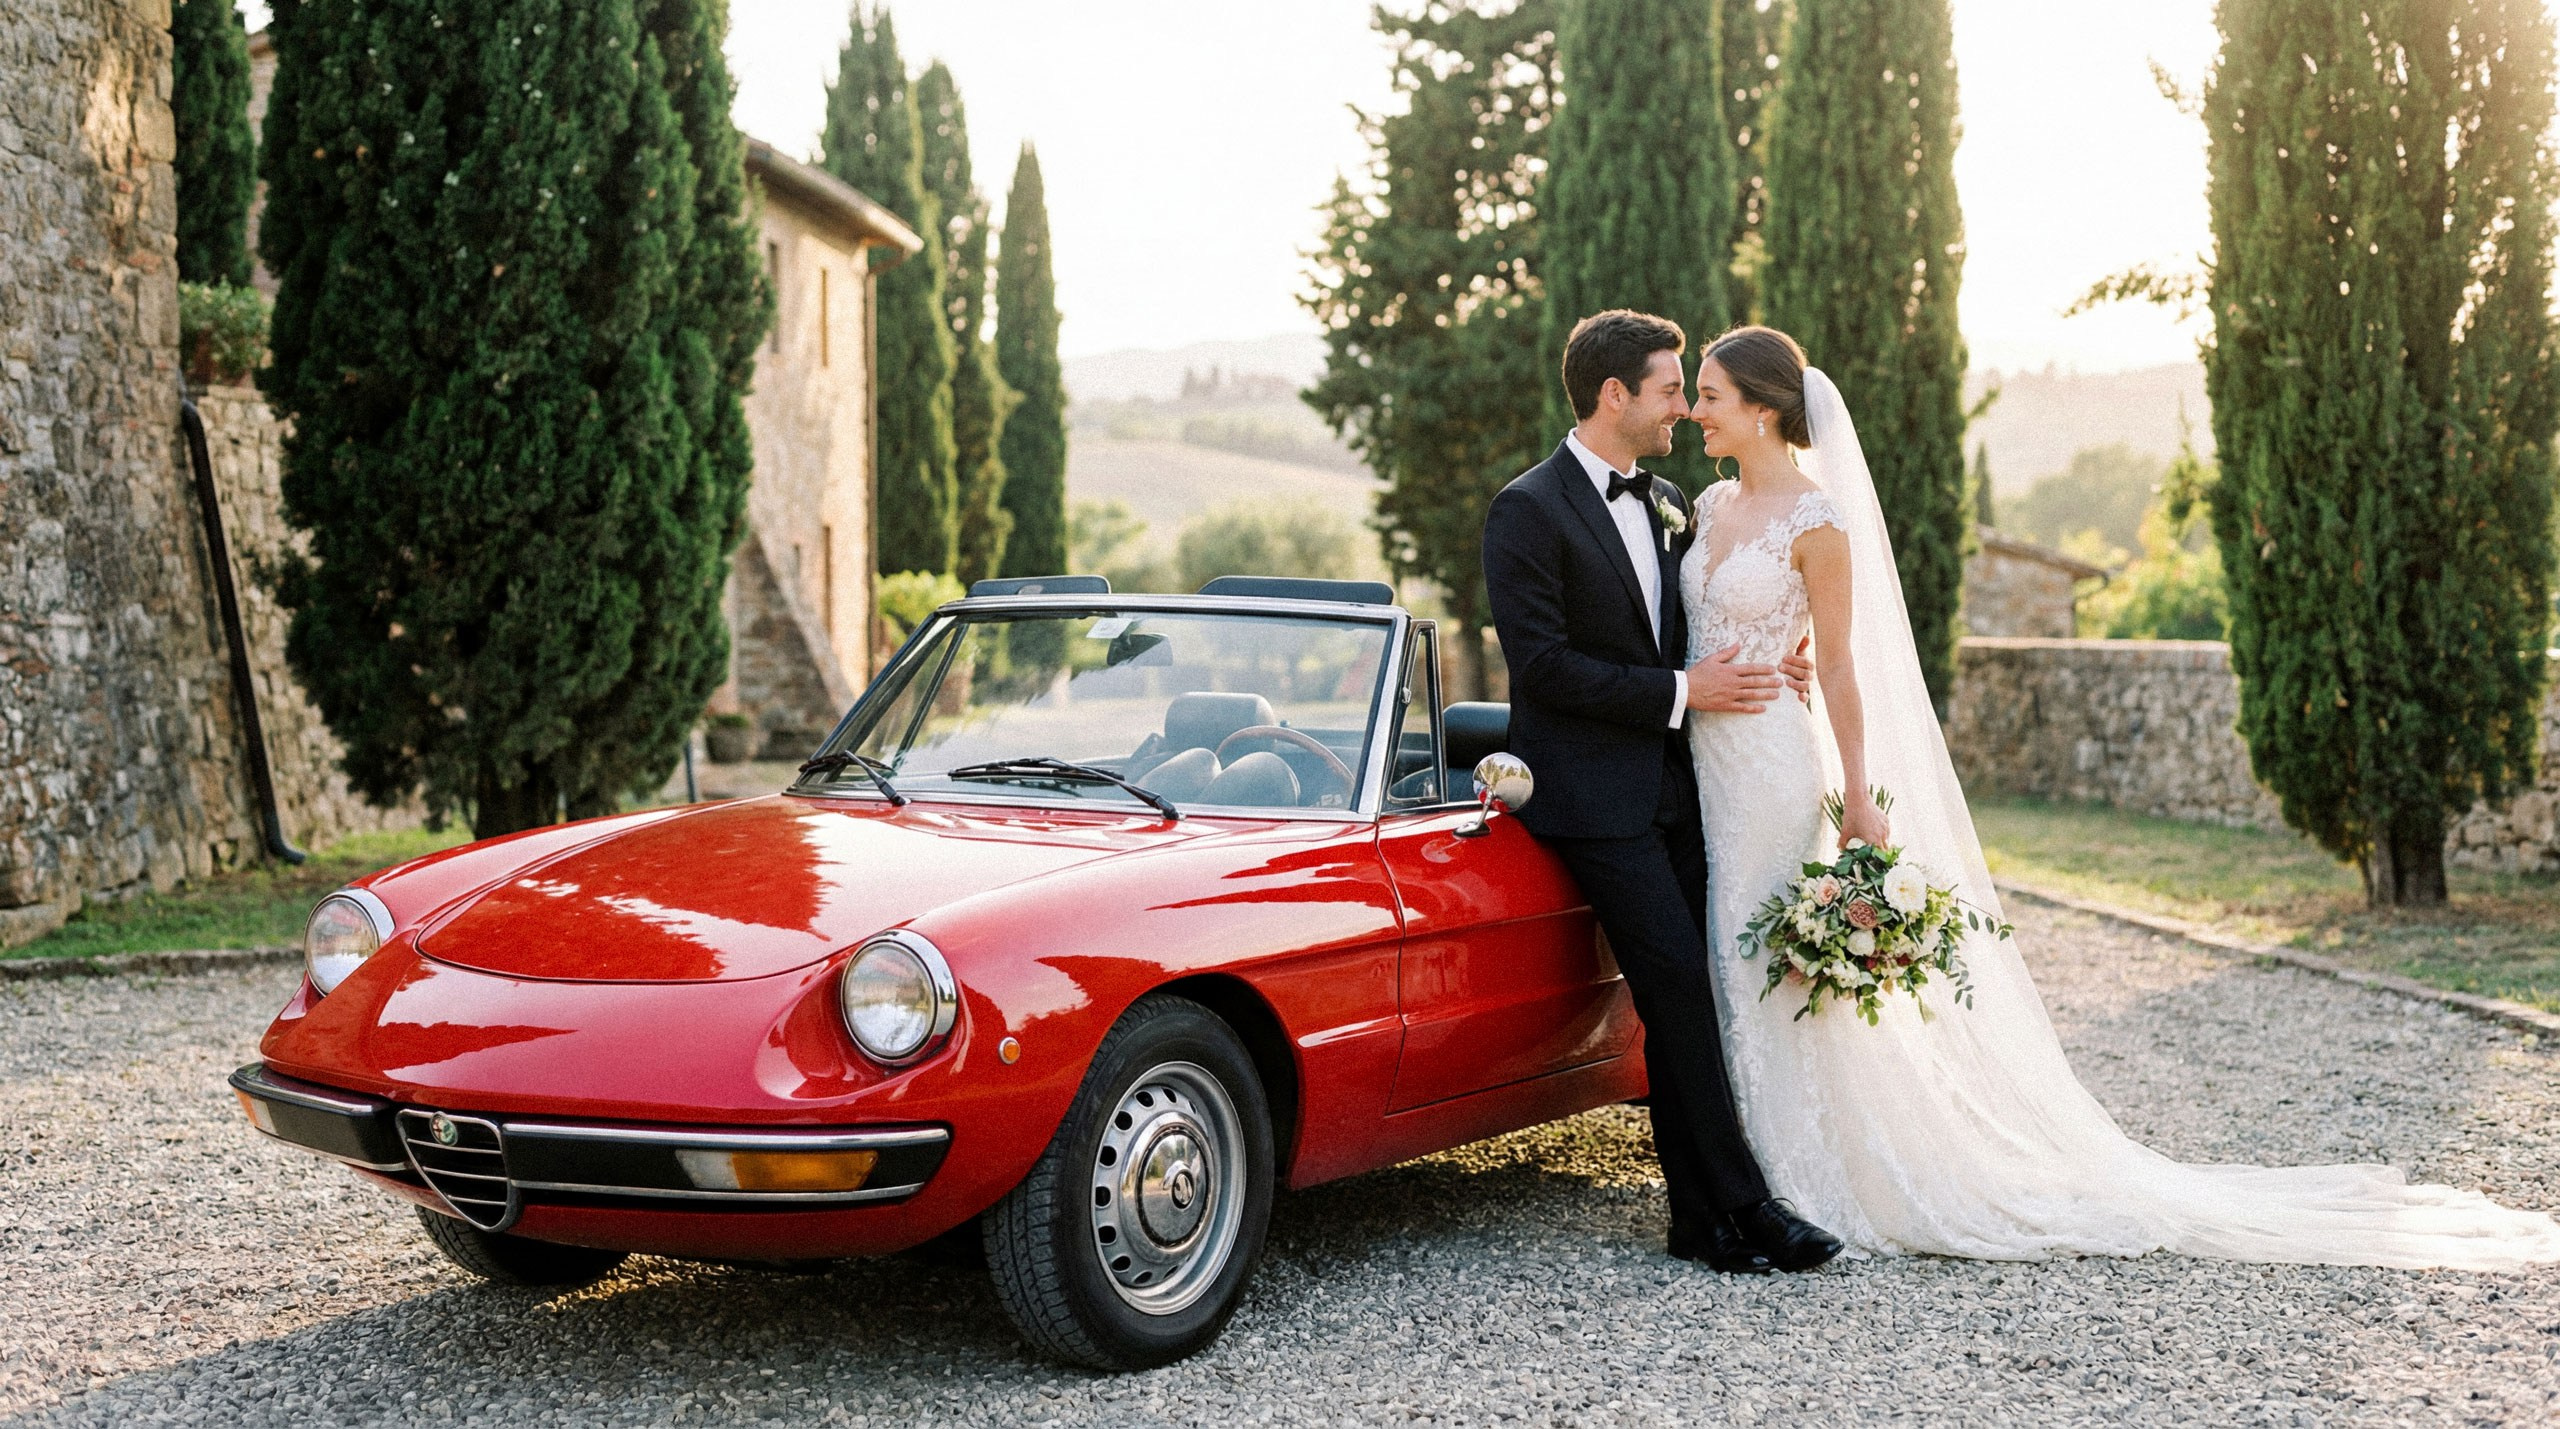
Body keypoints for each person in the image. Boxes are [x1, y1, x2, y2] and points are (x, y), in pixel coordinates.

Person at [1678, 322, 2560, 1268]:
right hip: (1701, 756)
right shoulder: (1709, 500)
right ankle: (1729, 1168)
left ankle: (1802, 1174)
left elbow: (1843, 664)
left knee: (1765, 947)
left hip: (1772, 762)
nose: (1696, 410)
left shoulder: (1818, 522)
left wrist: (1859, 793)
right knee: (1719, 950)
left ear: (1765, 409)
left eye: (1712, 395)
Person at [1481, 310, 1844, 1273]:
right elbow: (1545, 668)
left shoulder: (1677, 499)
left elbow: (1693, 623)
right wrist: (1689, 691)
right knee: (1680, 985)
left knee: (1705, 984)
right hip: (1591, 800)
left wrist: (1777, 658)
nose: (1685, 405)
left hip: (1685, 787)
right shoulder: (1526, 509)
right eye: (1672, 389)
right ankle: (1748, 1204)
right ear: (1616, 396)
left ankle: (1699, 1220)